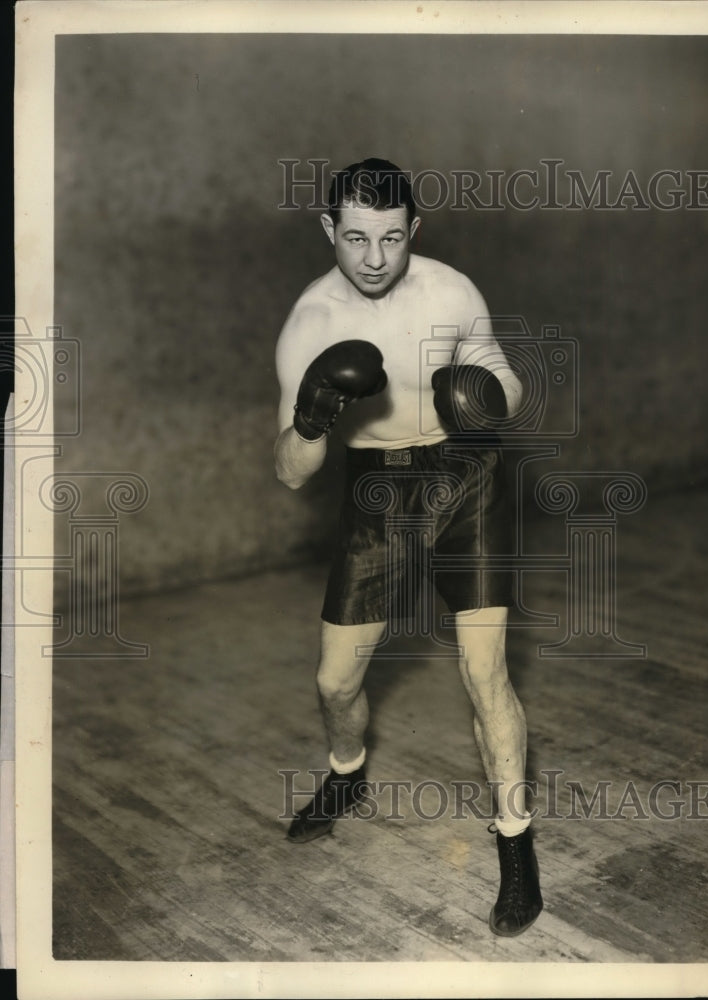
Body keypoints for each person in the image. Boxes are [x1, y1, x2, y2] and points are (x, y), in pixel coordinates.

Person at [274, 157, 542, 936]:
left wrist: (490, 398)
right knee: (333, 681)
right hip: (374, 489)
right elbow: (290, 474)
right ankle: (347, 775)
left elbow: (498, 371)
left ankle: (516, 842)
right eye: (355, 237)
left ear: (412, 231)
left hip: (467, 476)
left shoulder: (452, 290)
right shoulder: (310, 324)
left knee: (485, 671)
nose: (374, 258)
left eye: (391, 238)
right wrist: (316, 416)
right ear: (329, 228)